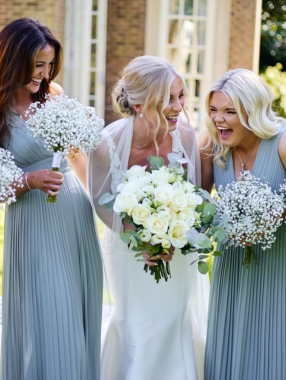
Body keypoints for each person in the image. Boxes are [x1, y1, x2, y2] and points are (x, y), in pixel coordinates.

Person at [0, 18, 102, 380]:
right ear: (11, 60)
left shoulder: (52, 95)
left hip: (73, 212)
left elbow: (76, 156)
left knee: (76, 305)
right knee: (48, 308)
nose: (43, 74)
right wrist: (28, 180)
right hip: (32, 222)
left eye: (49, 65)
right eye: (36, 65)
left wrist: (104, 204)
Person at [88, 55, 209, 380]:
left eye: (181, 96)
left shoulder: (184, 134)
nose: (178, 106)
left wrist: (171, 236)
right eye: (168, 99)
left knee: (172, 318)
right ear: (140, 104)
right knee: (135, 320)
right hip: (126, 251)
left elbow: (191, 193)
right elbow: (101, 202)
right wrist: (140, 240)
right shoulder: (106, 145)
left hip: (176, 250)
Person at [200, 68, 286, 379]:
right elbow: (198, 202)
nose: (218, 119)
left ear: (252, 111)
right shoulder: (213, 147)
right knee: (231, 350)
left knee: (276, 352)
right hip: (235, 269)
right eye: (214, 110)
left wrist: (278, 213)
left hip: (285, 267)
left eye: (230, 111)